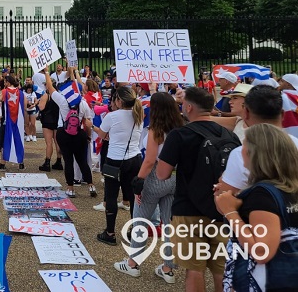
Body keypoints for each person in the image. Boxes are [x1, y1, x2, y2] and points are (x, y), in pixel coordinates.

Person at [156, 86, 240, 292]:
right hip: (221, 208)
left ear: (190, 107)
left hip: (188, 209)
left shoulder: (179, 135)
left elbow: (162, 174)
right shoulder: (229, 136)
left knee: (194, 268)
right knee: (221, 269)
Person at [215, 124, 298, 292]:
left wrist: (230, 212)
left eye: (245, 143)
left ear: (255, 152)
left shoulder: (262, 195)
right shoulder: (290, 188)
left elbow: (262, 251)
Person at [114, 91, 185, 284]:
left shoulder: (156, 129)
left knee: (140, 222)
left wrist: (138, 181)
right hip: (174, 177)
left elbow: (149, 160)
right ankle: (168, 267)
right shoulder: (181, 127)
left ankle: (133, 263)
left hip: (155, 176)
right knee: (169, 225)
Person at [216, 85, 298, 195]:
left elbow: (225, 197)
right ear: (283, 114)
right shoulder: (296, 144)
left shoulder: (241, 153)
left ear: (246, 113)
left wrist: (219, 186)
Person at [93, 85, 143, 245]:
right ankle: (134, 231)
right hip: (134, 158)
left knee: (111, 195)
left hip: (115, 159)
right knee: (132, 196)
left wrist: (90, 126)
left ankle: (110, 232)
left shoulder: (113, 116)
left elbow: (102, 134)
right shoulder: (139, 114)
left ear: (119, 101)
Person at [47, 70, 96, 198]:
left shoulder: (63, 100)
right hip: (79, 134)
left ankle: (71, 188)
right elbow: (87, 122)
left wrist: (47, 72)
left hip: (64, 133)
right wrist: (88, 136)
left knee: (68, 161)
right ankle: (91, 186)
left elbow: (51, 89)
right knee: (82, 161)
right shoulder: (83, 103)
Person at [0, 74, 26, 172]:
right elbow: (25, 108)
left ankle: (2, 164)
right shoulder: (21, 93)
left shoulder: (4, 92)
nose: (4, 83)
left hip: (7, 121)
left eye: (5, 82)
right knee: (19, 140)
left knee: (4, 142)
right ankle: (20, 163)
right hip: (19, 122)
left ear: (8, 82)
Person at [37, 87, 63, 172]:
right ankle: (59, 161)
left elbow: (41, 107)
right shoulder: (59, 96)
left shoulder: (46, 95)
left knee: (49, 143)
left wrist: (38, 102)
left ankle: (47, 162)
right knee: (57, 141)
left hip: (47, 120)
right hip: (57, 120)